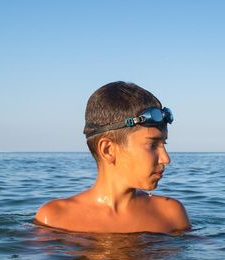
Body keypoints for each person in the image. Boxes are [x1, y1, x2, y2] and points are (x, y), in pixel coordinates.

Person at [35, 81, 190, 234]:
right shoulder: (54, 218)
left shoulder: (171, 214)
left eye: (164, 144)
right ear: (108, 149)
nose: (165, 158)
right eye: (152, 145)